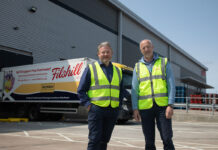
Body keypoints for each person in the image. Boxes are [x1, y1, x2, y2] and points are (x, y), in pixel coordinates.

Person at [77, 41, 123, 150]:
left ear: (111, 53)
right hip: (96, 110)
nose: (105, 54)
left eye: (108, 52)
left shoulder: (118, 70)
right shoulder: (91, 68)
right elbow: (81, 90)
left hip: (112, 110)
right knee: (94, 139)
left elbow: (121, 91)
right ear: (98, 54)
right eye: (103, 52)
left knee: (105, 140)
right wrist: (88, 105)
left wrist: (119, 106)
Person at [131, 39, 175, 150]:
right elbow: (134, 90)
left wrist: (170, 105)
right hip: (145, 108)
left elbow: (171, 85)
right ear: (141, 50)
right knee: (149, 141)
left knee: (167, 138)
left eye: (148, 46)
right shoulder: (137, 67)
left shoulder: (164, 62)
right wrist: (135, 109)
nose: (146, 49)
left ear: (152, 47)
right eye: (143, 48)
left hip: (162, 107)